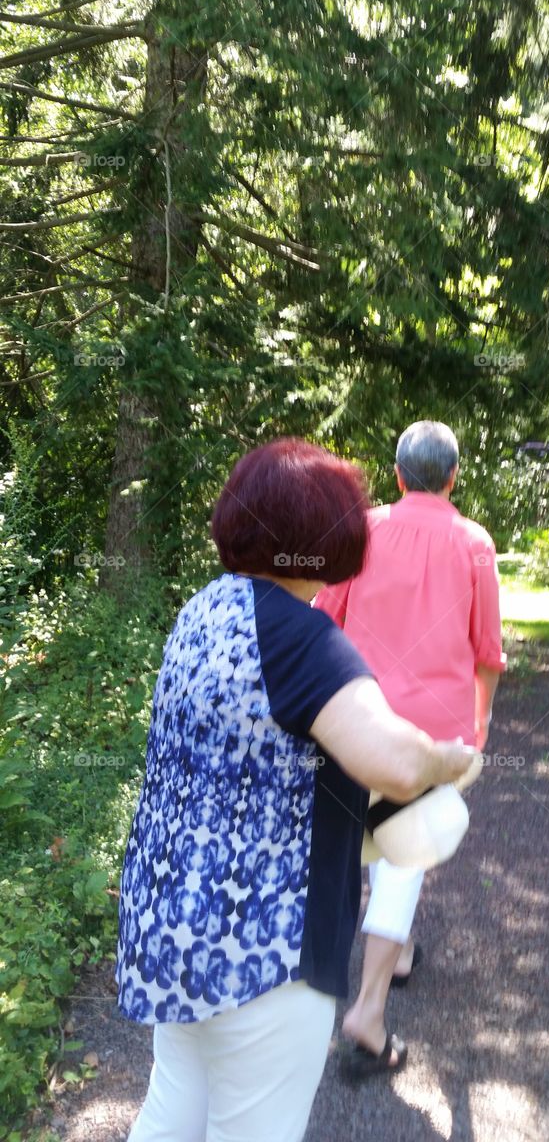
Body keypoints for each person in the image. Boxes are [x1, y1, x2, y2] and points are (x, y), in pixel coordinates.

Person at [116, 437, 475, 1142]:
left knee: (171, 1114)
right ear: (330, 542)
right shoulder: (301, 641)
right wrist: (447, 759)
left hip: (174, 926)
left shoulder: (203, 611)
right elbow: (395, 762)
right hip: (264, 957)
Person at [315, 420, 506, 1079]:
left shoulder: (360, 529)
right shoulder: (474, 543)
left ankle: (390, 958)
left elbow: (319, 623)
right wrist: (477, 728)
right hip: (431, 735)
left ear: (397, 475)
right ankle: (366, 1014)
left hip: (354, 721)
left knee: (364, 842)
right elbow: (487, 655)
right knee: (401, 857)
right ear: (452, 477)